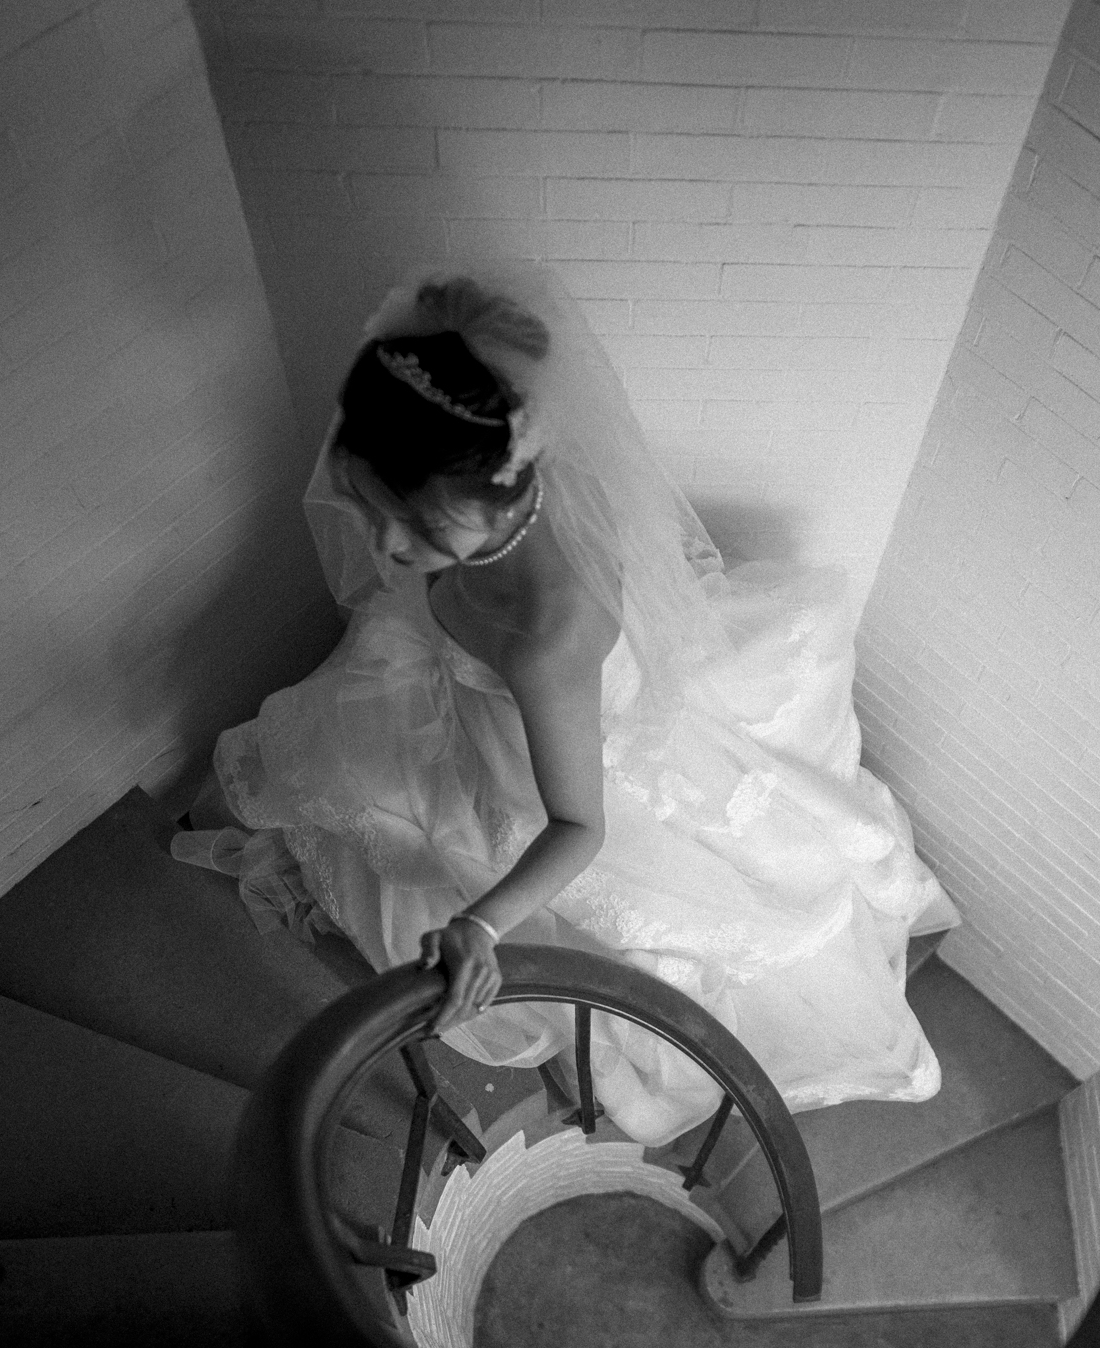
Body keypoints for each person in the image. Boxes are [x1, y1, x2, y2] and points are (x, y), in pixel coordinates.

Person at [174, 263, 958, 1146]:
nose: (388, 547)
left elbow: (577, 825)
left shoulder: (547, 637)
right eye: (371, 501)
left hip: (563, 757)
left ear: (500, 492)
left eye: (424, 531)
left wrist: (479, 924)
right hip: (499, 701)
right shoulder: (520, 444)